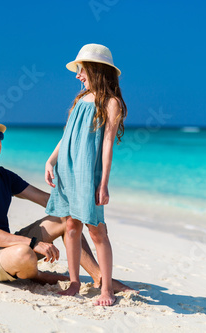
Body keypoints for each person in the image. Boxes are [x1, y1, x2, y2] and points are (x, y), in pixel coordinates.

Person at [0, 112, 134, 293]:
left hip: (7, 247)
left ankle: (99, 277)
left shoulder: (3, 175)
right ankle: (39, 275)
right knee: (24, 254)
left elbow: (47, 200)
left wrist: (86, 206)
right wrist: (33, 243)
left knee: (64, 218)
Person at [45, 43, 127, 306]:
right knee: (70, 226)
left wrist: (103, 183)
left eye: (82, 69)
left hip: (87, 171)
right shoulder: (80, 100)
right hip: (67, 168)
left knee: (96, 230)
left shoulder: (110, 102)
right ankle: (75, 282)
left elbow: (106, 146)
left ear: (96, 70)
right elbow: (67, 135)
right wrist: (51, 160)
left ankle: (106, 288)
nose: (78, 75)